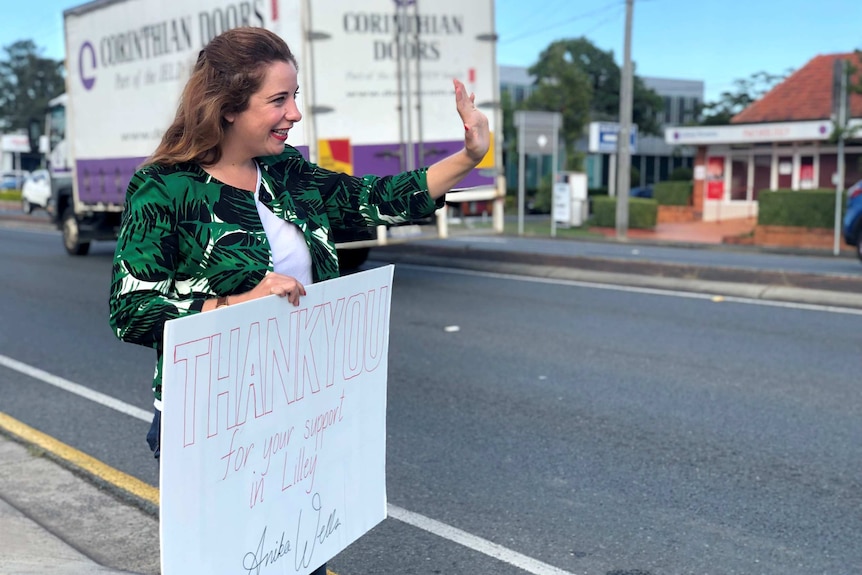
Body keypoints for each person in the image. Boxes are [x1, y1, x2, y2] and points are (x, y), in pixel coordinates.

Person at [107, 26, 489, 575]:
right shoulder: (164, 188)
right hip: (212, 424)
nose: (295, 114)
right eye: (278, 100)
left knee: (301, 561)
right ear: (230, 106)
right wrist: (232, 302)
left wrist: (468, 156)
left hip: (296, 415)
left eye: (296, 97)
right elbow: (130, 309)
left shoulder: (287, 173)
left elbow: (370, 199)